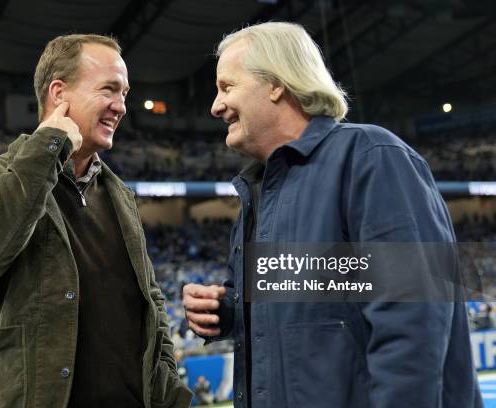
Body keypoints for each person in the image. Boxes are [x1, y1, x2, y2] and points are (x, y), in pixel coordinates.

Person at [183, 22, 481, 408]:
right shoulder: (261, 188)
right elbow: (322, 304)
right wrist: (228, 310)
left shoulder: (371, 157)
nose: (216, 105)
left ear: (276, 84)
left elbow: (413, 322)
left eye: (227, 86)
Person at [0, 34, 191, 408]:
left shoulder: (119, 194)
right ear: (59, 93)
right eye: (109, 89)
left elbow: (151, 299)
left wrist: (166, 379)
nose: (121, 107)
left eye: (125, 93)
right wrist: (48, 147)